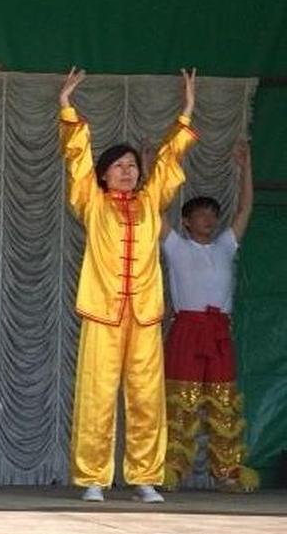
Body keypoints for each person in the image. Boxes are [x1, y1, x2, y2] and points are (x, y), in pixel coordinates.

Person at [59, 68, 197, 503]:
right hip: (103, 311)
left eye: (132, 165)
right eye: (118, 166)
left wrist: (187, 112)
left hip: (144, 313)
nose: (127, 171)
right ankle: (93, 478)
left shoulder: (150, 202)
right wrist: (67, 107)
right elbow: (77, 157)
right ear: (103, 175)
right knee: (97, 394)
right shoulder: (92, 201)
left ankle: (144, 477)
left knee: (146, 397)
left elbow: (170, 161)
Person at [161, 140, 259, 492]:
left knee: (223, 401)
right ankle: (172, 470)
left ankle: (227, 472)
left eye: (212, 214)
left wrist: (245, 167)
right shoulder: (176, 246)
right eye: (201, 214)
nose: (208, 219)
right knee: (182, 401)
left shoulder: (225, 246)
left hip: (218, 332)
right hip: (187, 330)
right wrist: (152, 166)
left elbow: (246, 208)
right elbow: (155, 208)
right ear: (186, 222)